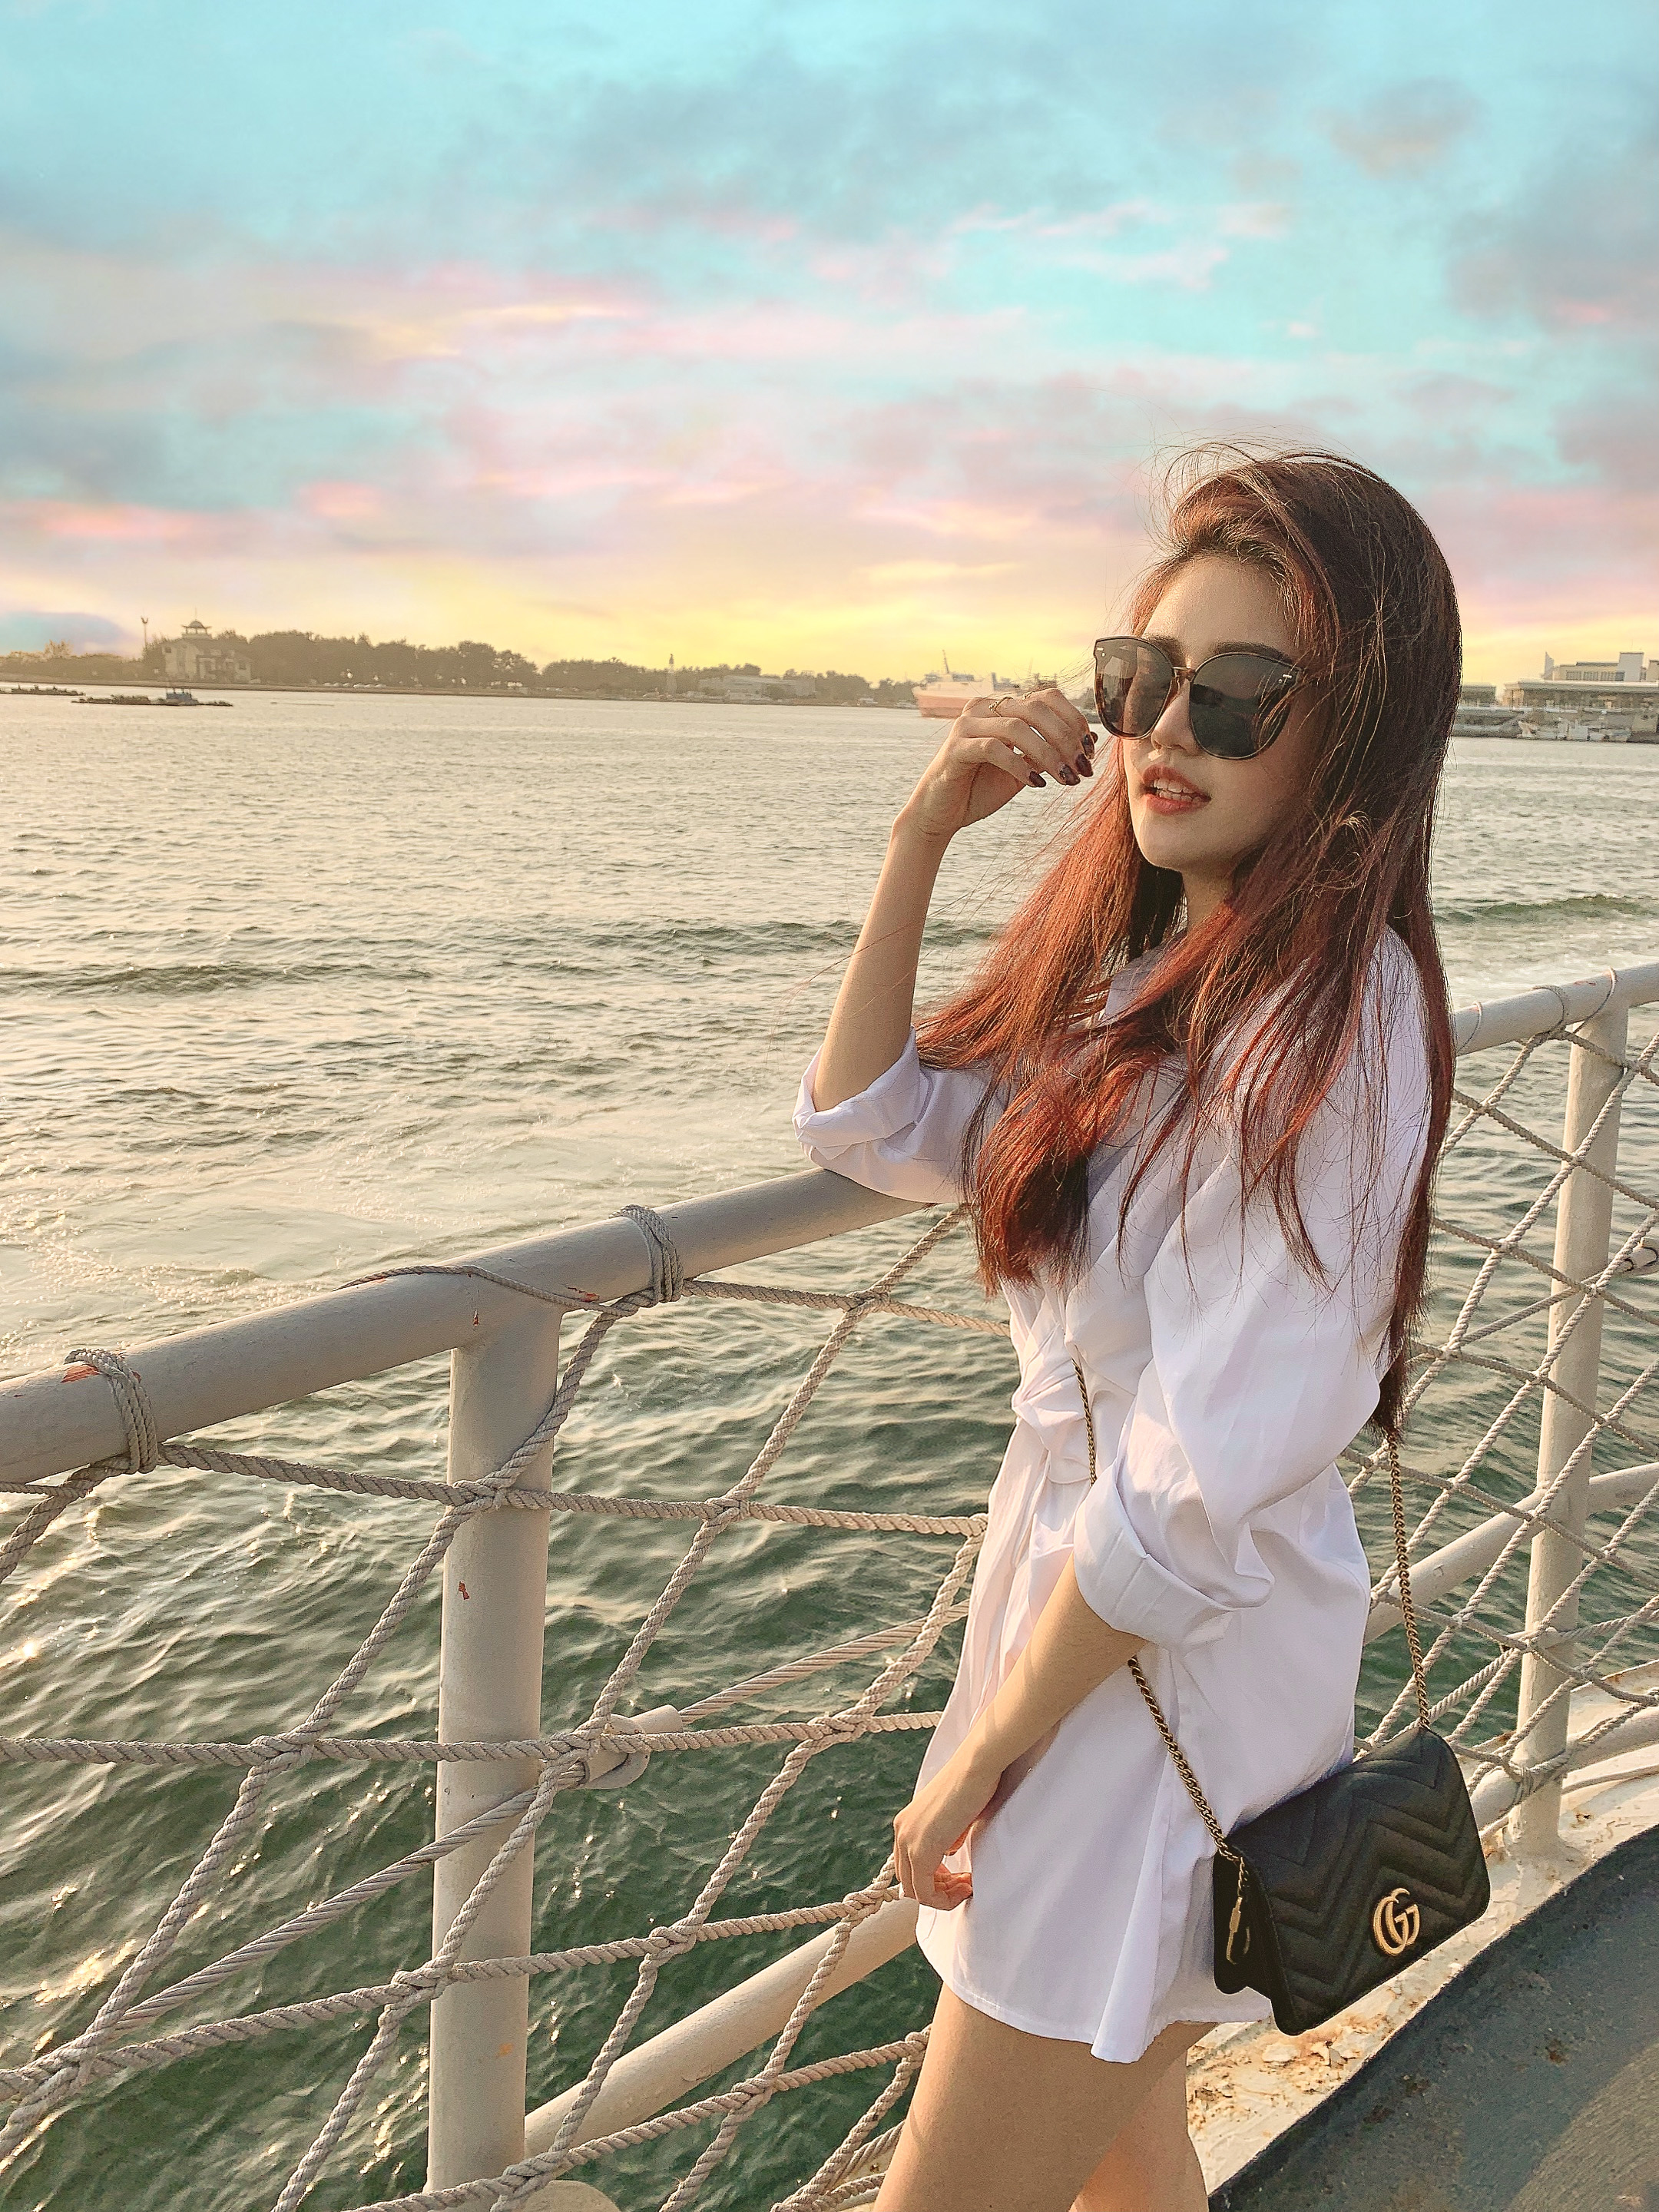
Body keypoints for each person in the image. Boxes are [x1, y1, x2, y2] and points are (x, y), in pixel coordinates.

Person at [792, 449, 1459, 2211]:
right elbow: (871, 1127)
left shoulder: (1333, 1019)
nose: (1170, 727)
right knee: (1124, 2164)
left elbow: (1194, 1475)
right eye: (1142, 677)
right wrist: (924, 832)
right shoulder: (1141, 971)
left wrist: (987, 1751)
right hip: (1093, 1636)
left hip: (1164, 1673)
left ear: (1355, 732)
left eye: (1238, 694)